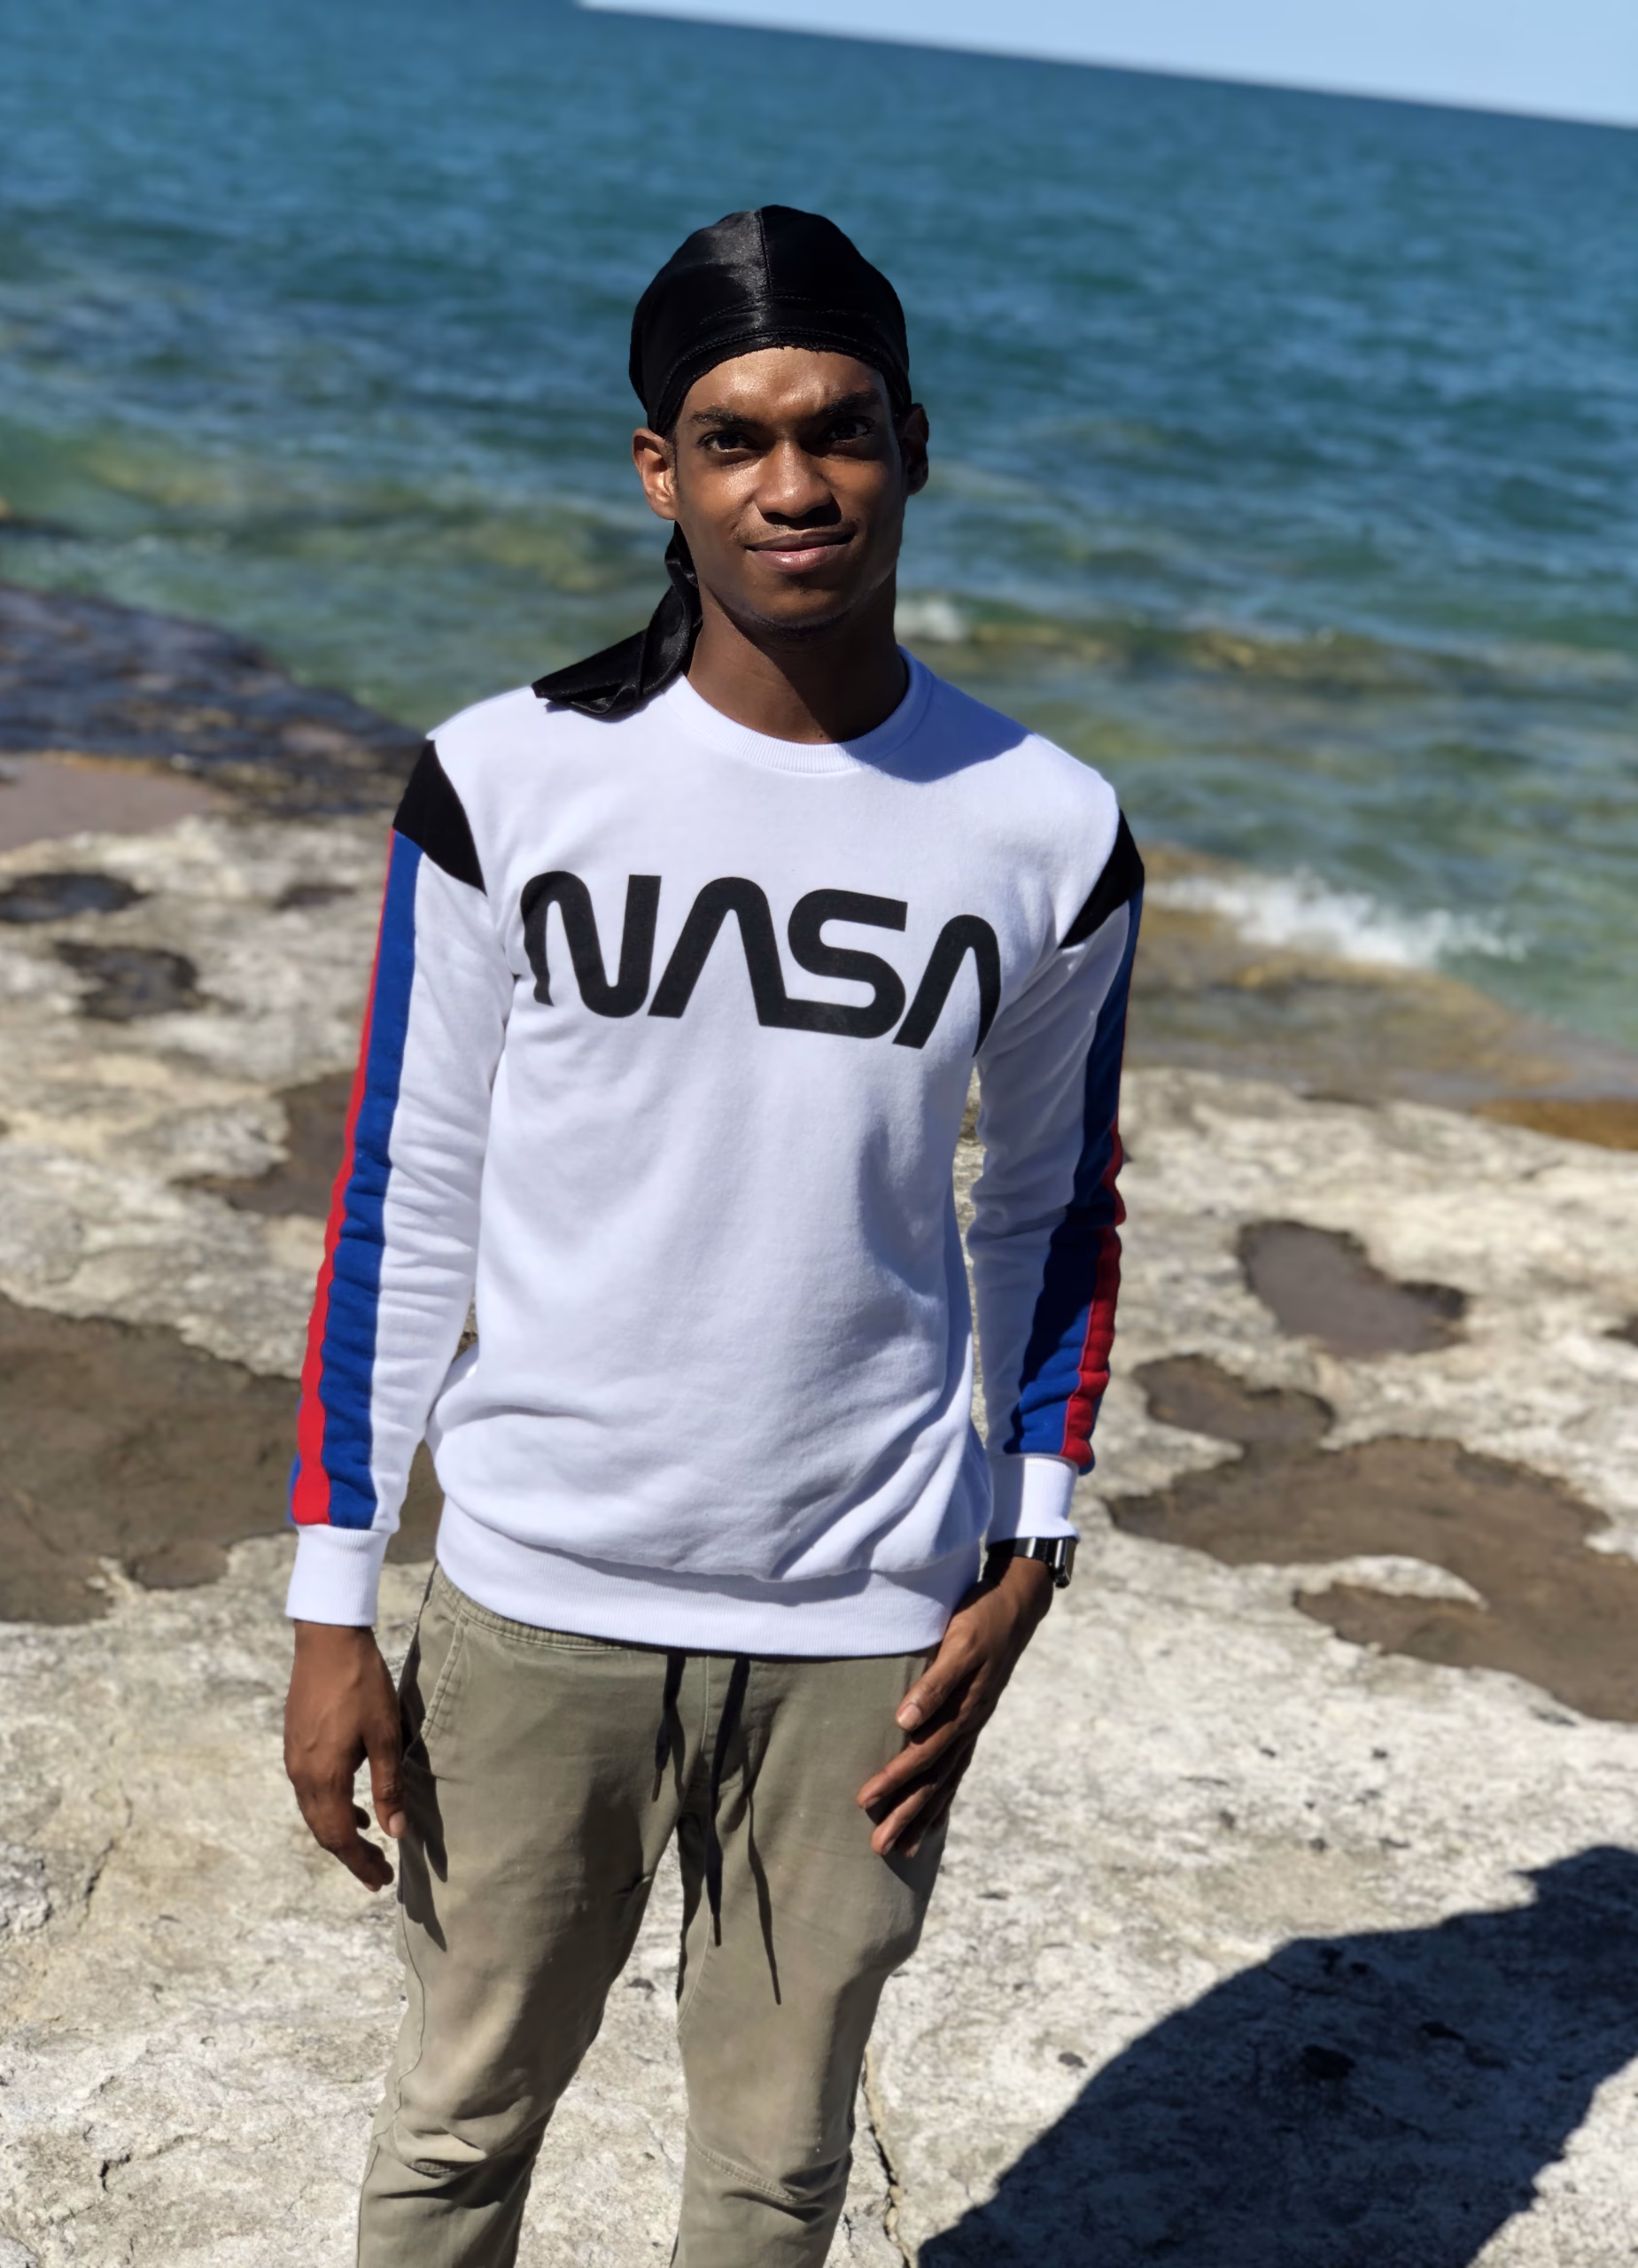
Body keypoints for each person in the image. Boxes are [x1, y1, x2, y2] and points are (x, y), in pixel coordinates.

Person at [281, 205, 1143, 2268]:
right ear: (658, 471)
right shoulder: (506, 779)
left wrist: (1030, 1539)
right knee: (457, 2126)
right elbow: (405, 1188)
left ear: (913, 446)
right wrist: (331, 1602)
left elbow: (1050, 1204)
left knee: (776, 2169)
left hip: (865, 1616)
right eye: (736, 436)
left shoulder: (1046, 827)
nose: (795, 482)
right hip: (537, 1594)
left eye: (838, 428)